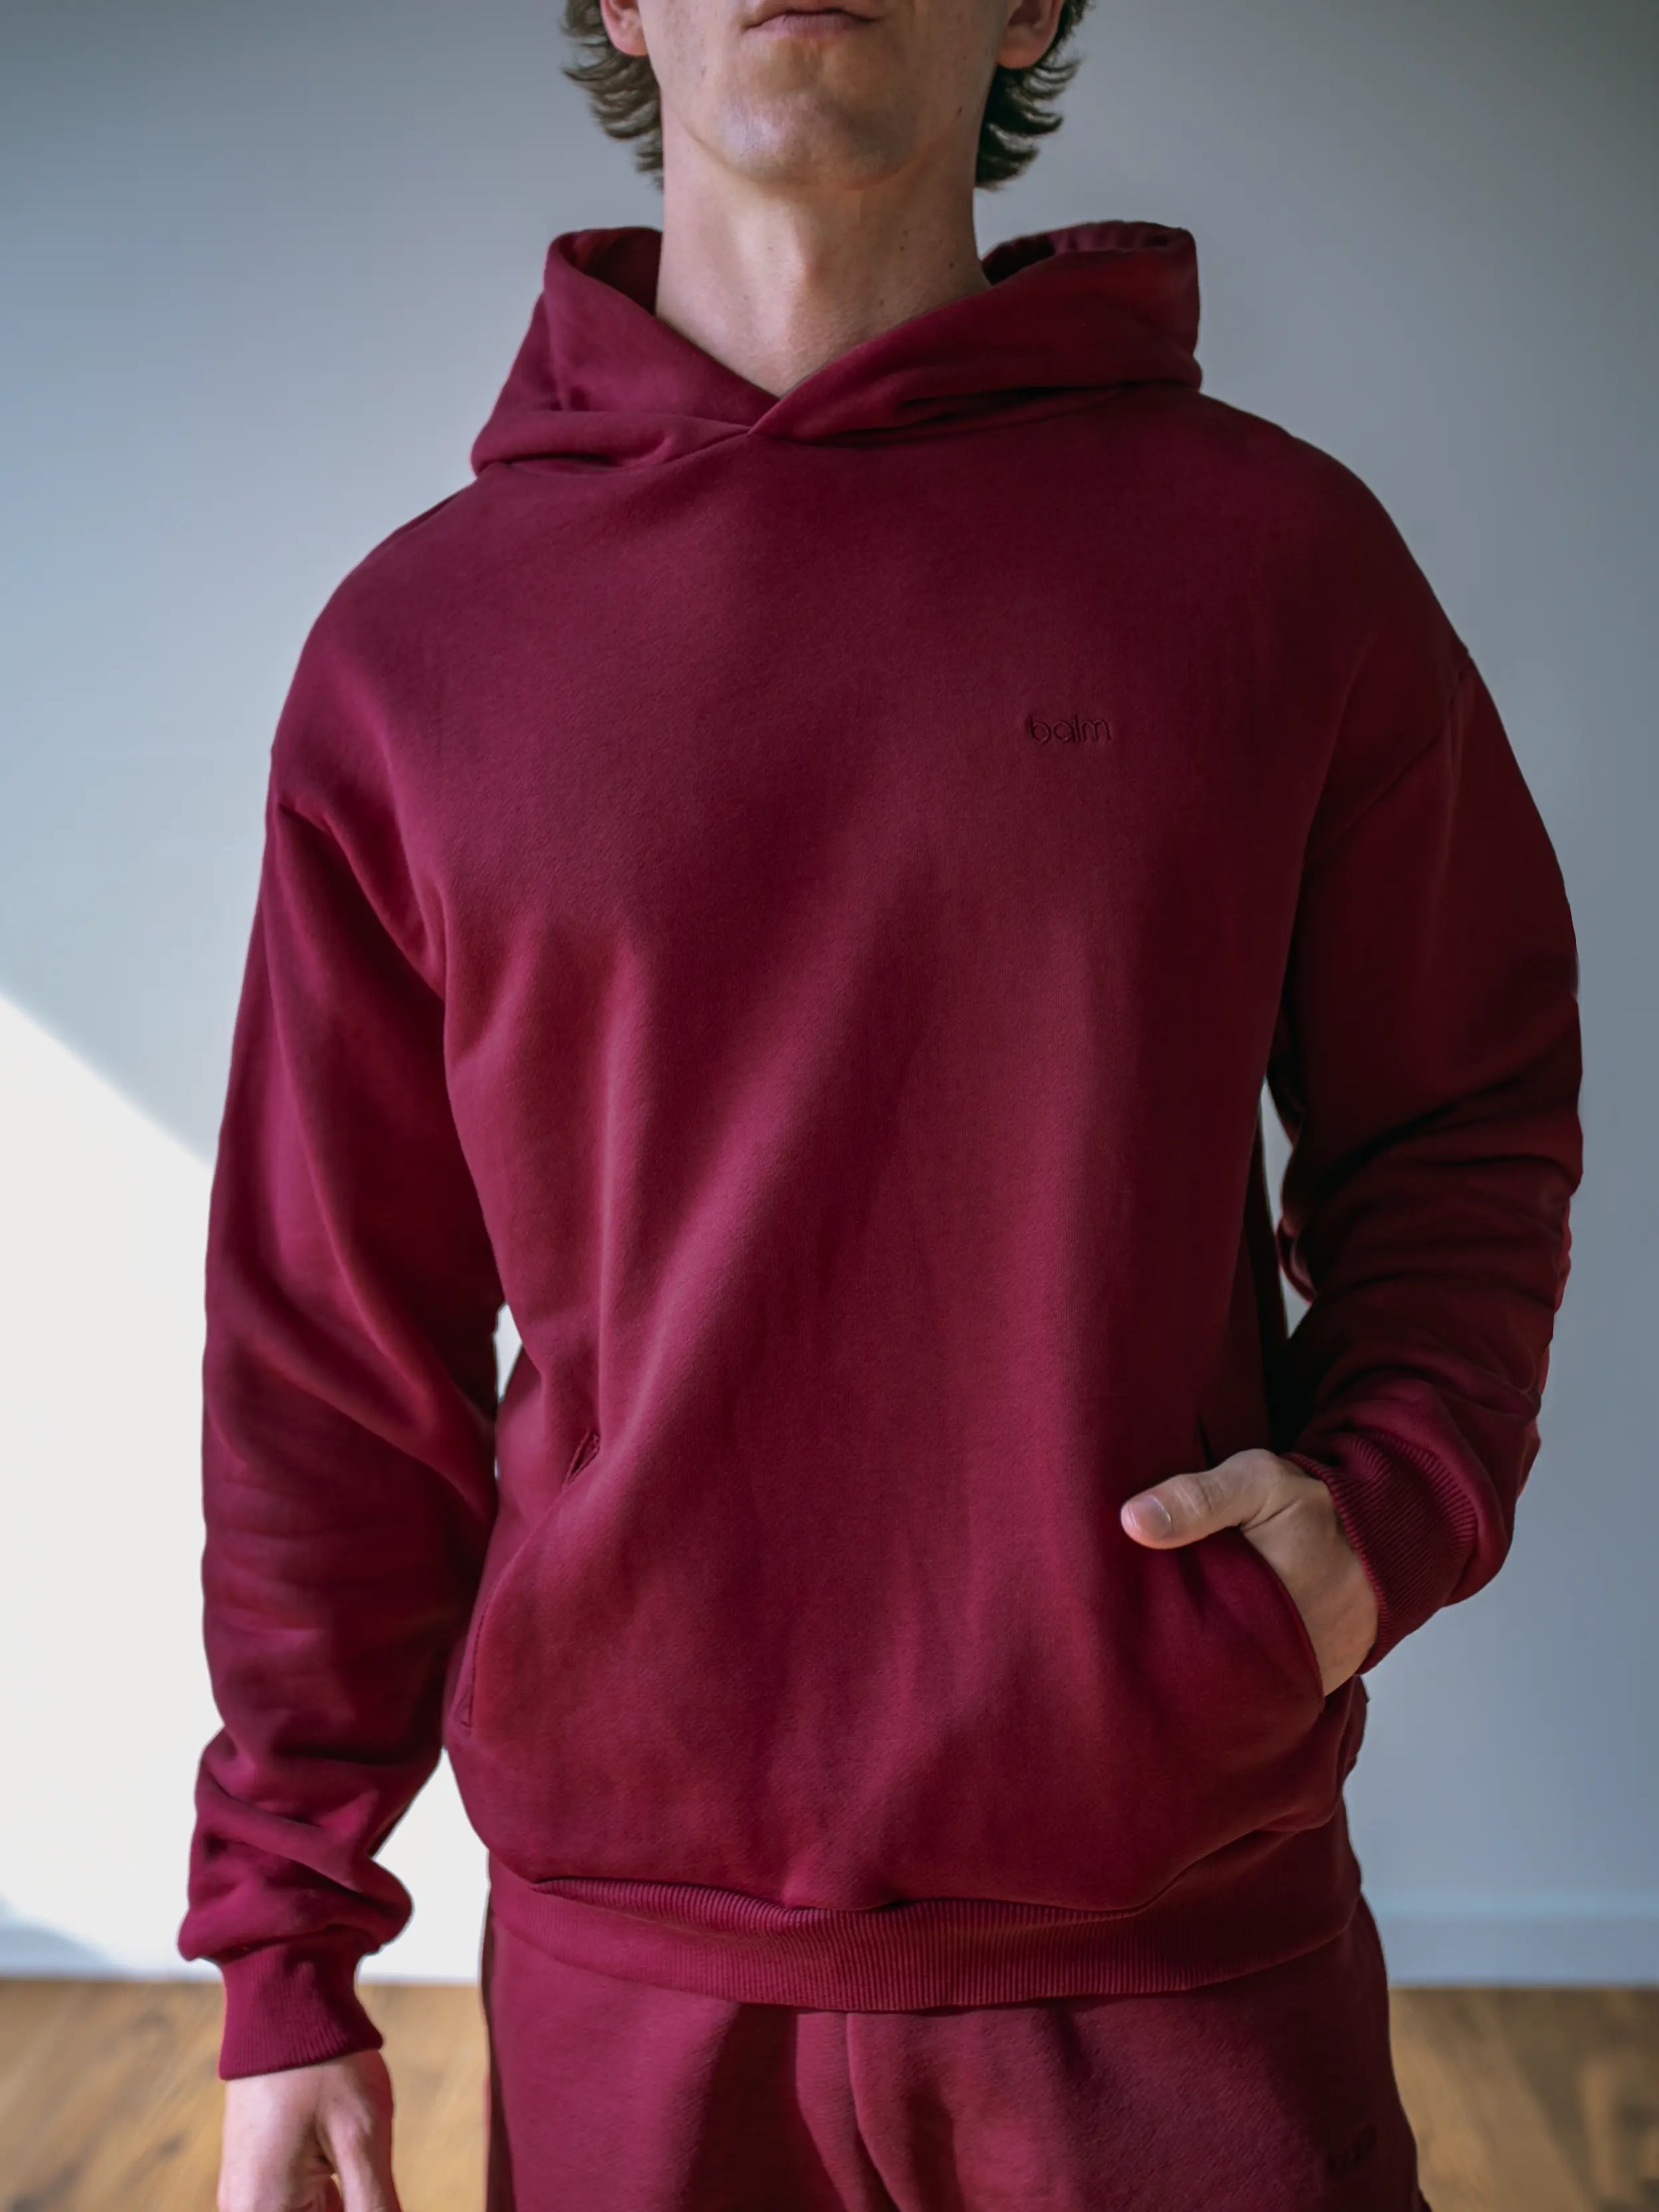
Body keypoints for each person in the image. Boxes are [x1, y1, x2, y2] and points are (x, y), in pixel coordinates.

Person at [181, 0, 1583, 2199]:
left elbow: (1464, 1117)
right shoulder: (416, 656)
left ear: (1031, 4)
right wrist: (286, 1933)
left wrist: (1375, 1525)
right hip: (633, 1970)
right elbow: (329, 1345)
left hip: (1171, 1946)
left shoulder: (1280, 565)